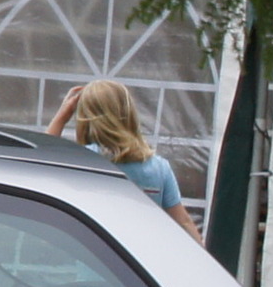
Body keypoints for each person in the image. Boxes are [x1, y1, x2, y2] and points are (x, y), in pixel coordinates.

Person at [49, 78, 186, 218]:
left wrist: (62, 116)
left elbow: (43, 159)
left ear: (86, 118)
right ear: (129, 114)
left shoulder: (84, 159)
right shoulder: (159, 167)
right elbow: (183, 221)